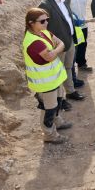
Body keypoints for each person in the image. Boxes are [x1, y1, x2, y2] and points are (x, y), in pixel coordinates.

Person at [22, 8, 73, 143]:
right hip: (45, 83)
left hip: (55, 79)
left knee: (58, 103)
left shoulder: (43, 33)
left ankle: (58, 122)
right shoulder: (34, 42)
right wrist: (55, 51)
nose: (46, 23)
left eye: (47, 20)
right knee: (48, 110)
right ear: (31, 23)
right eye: (42, 21)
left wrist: (53, 51)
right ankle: (50, 135)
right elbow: (51, 55)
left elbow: (62, 43)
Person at [38, 0, 86, 109]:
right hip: (57, 45)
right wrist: (53, 43)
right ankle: (60, 99)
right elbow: (41, 28)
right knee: (57, 73)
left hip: (69, 40)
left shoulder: (65, 1)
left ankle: (70, 92)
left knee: (68, 68)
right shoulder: (45, 5)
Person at [66, 0, 93, 72]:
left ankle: (82, 64)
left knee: (83, 43)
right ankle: (71, 68)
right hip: (71, 25)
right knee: (73, 46)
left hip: (83, 23)